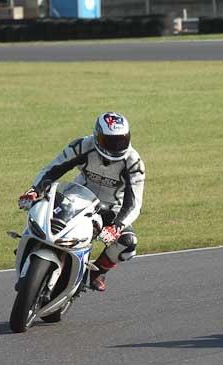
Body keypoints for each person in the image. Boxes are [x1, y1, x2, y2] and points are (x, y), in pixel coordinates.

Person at [18, 112, 146, 292]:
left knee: (128, 243)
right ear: (96, 136)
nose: (115, 146)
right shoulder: (82, 146)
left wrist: (116, 226)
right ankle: (30, 247)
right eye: (109, 141)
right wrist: (34, 190)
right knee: (42, 210)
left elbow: (134, 203)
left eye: (120, 140)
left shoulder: (133, 163)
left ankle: (97, 272)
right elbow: (53, 169)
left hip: (111, 209)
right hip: (78, 197)